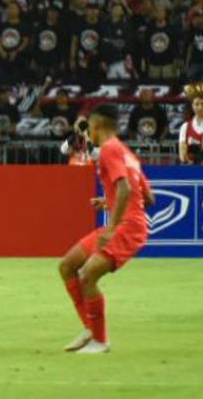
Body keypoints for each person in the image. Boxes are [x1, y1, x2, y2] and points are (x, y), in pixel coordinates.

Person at [57, 104, 154, 354]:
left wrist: (111, 228)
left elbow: (125, 189)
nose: (89, 130)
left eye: (90, 126)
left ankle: (100, 340)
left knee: (88, 275)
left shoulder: (109, 149)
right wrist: (108, 201)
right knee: (67, 265)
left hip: (126, 227)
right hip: (125, 222)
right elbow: (148, 196)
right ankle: (90, 328)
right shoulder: (127, 153)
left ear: (96, 125)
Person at [179, 84, 203, 164]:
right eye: (196, 104)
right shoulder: (185, 127)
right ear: (192, 106)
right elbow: (182, 152)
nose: (200, 107)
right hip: (191, 169)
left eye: (202, 104)